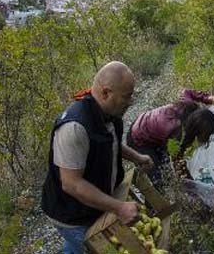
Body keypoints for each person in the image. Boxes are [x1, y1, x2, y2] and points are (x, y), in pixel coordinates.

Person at [41, 61, 154, 254]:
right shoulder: (75, 127)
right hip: (73, 215)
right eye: (127, 96)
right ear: (105, 93)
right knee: (92, 247)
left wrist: (138, 157)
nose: (131, 101)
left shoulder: (109, 114)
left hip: (92, 205)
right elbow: (72, 184)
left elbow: (111, 144)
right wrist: (119, 208)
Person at [127, 89, 214, 189]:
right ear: (197, 130)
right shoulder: (176, 132)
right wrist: (193, 186)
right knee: (159, 180)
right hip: (138, 139)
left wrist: (207, 98)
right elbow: (178, 163)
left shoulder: (190, 107)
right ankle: (152, 201)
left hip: (150, 127)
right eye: (205, 135)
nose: (207, 138)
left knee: (165, 167)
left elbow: (187, 92)